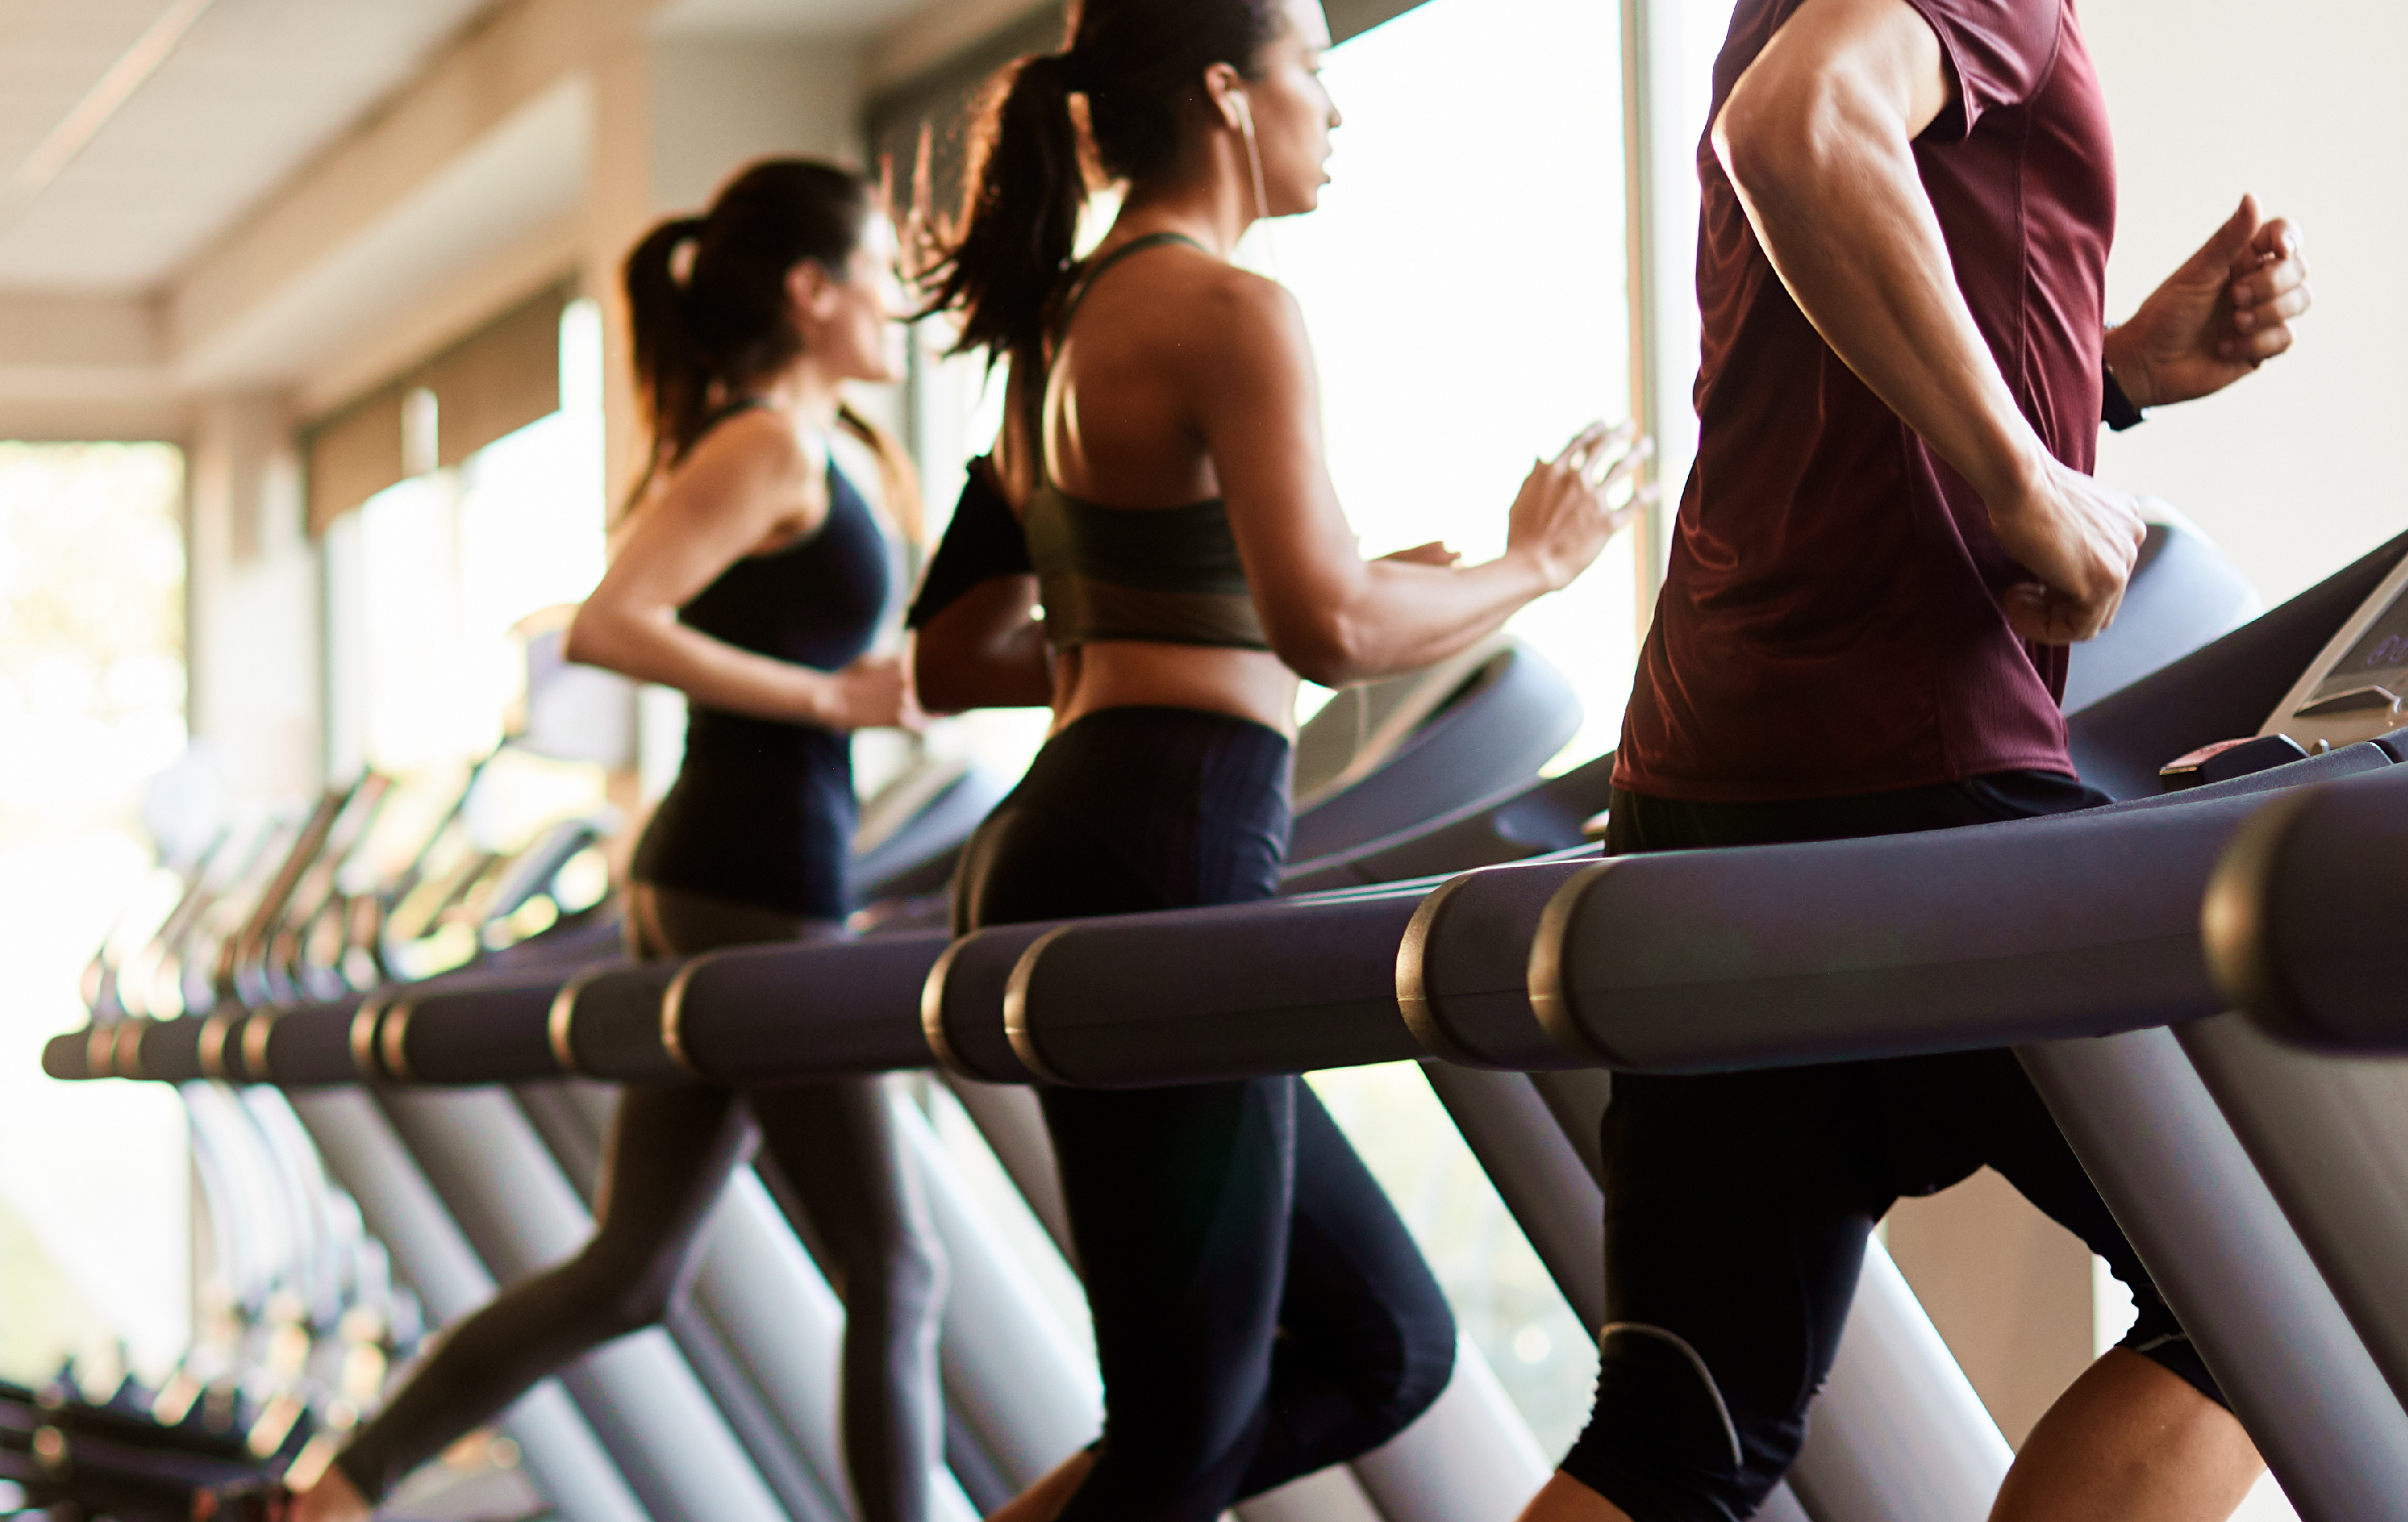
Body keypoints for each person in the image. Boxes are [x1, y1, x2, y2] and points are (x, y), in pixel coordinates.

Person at [1521, 0, 2312, 1519]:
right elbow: (1794, 129)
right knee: (2292, 1283)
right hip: (1910, 769)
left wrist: (2110, 376)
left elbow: (1823, 365)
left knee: (1680, 1431)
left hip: (1716, 776)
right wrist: (2026, 481)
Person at [909, 1, 1646, 1516]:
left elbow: (955, 651)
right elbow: (1336, 625)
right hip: (1164, 844)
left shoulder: (1055, 328)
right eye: (1312, 67)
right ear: (1229, 94)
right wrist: (1533, 564)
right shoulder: (1231, 311)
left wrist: (1236, 607)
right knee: (1185, 1424)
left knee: (1385, 1348)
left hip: (1072, 829)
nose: (1336, 103)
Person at [275, 156, 943, 1522]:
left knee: (634, 1271)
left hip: (743, 873)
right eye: (877, 270)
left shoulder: (808, 446)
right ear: (811, 293)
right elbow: (612, 623)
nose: (898, 298)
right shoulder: (764, 446)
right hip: (751, 878)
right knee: (896, 1266)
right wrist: (827, 698)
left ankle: (337, 1491)